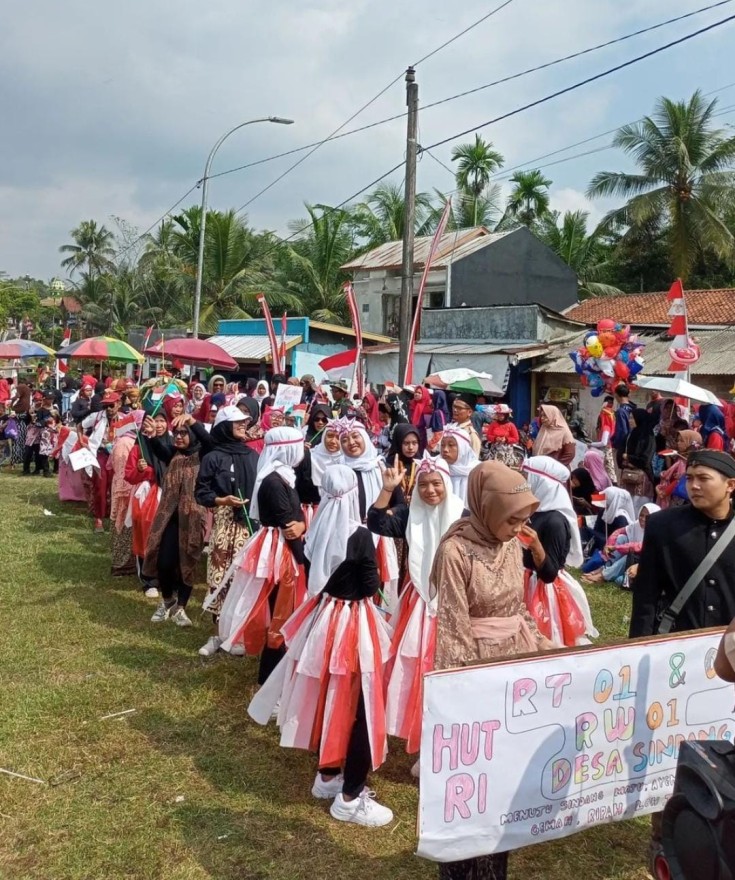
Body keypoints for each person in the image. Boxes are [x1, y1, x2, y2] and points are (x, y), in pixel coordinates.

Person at [248, 466, 393, 826]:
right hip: (353, 621)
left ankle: (327, 775)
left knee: (330, 694)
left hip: (324, 617)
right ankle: (351, 794)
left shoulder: (316, 525)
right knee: (360, 700)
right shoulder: (358, 534)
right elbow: (370, 583)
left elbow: (309, 563)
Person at [430, 461, 552, 880]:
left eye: (524, 517)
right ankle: (459, 865)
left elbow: (517, 607)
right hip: (476, 668)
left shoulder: (511, 544)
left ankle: (494, 864)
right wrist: (460, 690)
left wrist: (540, 647)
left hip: (512, 662)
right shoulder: (455, 551)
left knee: (505, 772)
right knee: (471, 774)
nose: (520, 527)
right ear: (485, 508)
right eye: (512, 517)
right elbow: (453, 624)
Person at [630, 449, 735, 871]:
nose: (692, 485)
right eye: (688, 478)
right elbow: (646, 596)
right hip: (677, 657)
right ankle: (667, 832)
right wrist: (637, 651)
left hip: (730, 660)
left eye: (703, 478)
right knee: (672, 748)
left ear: (730, 485)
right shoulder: (663, 526)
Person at [367, 455, 464, 757]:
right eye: (424, 485)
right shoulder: (411, 514)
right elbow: (376, 521)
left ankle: (449, 734)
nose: (431, 490)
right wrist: (387, 489)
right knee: (415, 663)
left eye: (437, 484)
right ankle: (418, 730)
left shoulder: (464, 516)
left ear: (447, 483)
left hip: (455, 602)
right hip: (419, 601)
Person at [214, 427, 306, 684]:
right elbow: (289, 526)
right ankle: (269, 676)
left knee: (281, 608)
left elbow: (295, 518)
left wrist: (302, 525)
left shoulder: (282, 476)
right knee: (281, 610)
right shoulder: (275, 482)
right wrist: (302, 559)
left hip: (277, 544)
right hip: (280, 551)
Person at [194, 406, 259, 656]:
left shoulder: (253, 456)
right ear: (224, 427)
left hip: (249, 526)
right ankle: (219, 633)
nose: (244, 425)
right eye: (238, 422)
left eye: (245, 422)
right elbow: (201, 492)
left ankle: (238, 634)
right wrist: (223, 501)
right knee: (219, 577)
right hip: (224, 523)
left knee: (242, 578)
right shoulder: (213, 457)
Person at [143, 414, 212, 627]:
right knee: (164, 562)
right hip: (169, 518)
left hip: (192, 517)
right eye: (178, 433)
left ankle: (181, 607)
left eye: (184, 433)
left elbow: (209, 441)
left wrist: (193, 422)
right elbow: (160, 451)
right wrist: (153, 437)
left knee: (188, 562)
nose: (179, 437)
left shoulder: (204, 455)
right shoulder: (175, 454)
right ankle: (167, 601)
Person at [521, 456, 597, 646]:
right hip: (525, 581)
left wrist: (536, 546)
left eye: (527, 477)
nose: (524, 482)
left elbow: (549, 573)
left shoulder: (555, 521)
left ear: (541, 482)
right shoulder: (533, 512)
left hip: (543, 591)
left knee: (545, 639)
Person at [125, 410, 169, 597]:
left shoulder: (172, 444)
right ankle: (148, 579)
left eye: (161, 421)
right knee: (146, 535)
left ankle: (166, 576)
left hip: (168, 495)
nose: (158, 425)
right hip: (146, 497)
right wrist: (142, 471)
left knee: (167, 537)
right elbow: (129, 475)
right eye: (153, 421)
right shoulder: (139, 447)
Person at [77, 390, 122, 532]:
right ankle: (99, 519)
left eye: (111, 405)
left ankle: (116, 518)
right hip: (101, 455)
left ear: (119, 404)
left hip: (117, 456)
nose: (108, 409)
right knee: (100, 487)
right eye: (105, 406)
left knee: (116, 487)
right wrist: (81, 440)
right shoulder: (96, 416)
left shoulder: (124, 419)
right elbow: (80, 425)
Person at [584, 502, 660, 587]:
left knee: (621, 573)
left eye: (647, 516)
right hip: (632, 557)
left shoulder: (656, 531)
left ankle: (603, 576)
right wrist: (609, 544)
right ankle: (605, 568)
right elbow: (619, 531)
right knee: (622, 538)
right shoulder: (636, 525)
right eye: (641, 515)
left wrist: (615, 547)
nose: (642, 519)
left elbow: (638, 547)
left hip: (643, 563)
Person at [109, 411, 143, 577]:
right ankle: (121, 564)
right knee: (123, 524)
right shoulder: (125, 443)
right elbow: (123, 471)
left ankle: (127, 562)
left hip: (129, 487)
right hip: (125, 489)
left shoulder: (132, 441)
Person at [581, 486, 636, 568]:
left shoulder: (621, 518)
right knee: (585, 530)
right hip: (601, 539)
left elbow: (619, 540)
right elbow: (597, 528)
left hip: (611, 546)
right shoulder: (604, 511)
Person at [656, 429, 702, 509]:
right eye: (678, 440)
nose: (678, 443)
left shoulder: (687, 462)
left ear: (690, 442)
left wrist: (664, 491)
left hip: (680, 502)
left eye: (682, 441)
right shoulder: (683, 458)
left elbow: (678, 481)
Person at [620, 408, 656, 508]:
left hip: (642, 479)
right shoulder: (630, 435)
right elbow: (621, 455)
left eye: (632, 418)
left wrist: (629, 457)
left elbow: (645, 460)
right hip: (627, 477)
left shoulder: (648, 436)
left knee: (640, 508)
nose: (629, 420)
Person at [383, 423, 424, 505]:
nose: (411, 447)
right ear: (398, 443)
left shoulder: (422, 464)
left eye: (414, 443)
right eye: (406, 443)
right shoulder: (388, 465)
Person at [440, 425, 479, 505]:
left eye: (451, 445)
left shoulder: (478, 471)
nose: (445, 450)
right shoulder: (437, 469)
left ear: (463, 448)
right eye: (442, 445)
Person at [307, 417, 343, 492]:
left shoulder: (347, 461)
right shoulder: (310, 457)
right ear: (323, 437)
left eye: (338, 437)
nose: (333, 441)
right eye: (330, 436)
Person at [612, 384, 635, 470]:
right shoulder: (633, 408)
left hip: (623, 447)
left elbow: (622, 431)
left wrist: (616, 445)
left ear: (616, 395)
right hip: (633, 446)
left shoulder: (621, 411)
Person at [10, 382, 31, 466]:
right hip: (23, 421)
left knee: (16, 440)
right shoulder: (26, 400)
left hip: (18, 421)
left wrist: (11, 402)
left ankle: (15, 460)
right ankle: (22, 458)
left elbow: (17, 396)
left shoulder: (22, 403)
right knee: (22, 440)